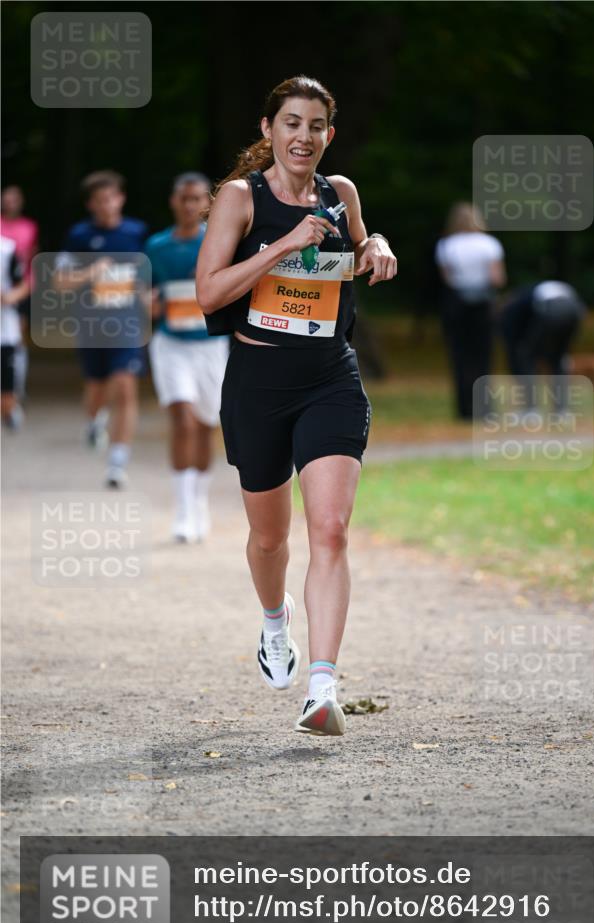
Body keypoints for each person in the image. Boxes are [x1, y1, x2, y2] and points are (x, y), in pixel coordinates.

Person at [196, 76, 397, 737]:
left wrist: (375, 245)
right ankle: (274, 620)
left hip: (329, 378)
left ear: (328, 135)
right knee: (268, 539)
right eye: (290, 123)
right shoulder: (239, 198)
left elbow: (358, 248)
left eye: (314, 126)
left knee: (330, 530)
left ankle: (322, 687)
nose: (302, 136)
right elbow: (208, 292)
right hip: (257, 383)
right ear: (268, 129)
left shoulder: (341, 194)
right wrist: (282, 245)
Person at [146, 173, 229, 542]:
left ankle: (199, 500)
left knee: (206, 425)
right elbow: (146, 292)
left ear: (207, 204)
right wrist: (148, 304)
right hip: (171, 343)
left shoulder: (219, 242)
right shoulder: (156, 246)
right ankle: (182, 510)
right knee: (182, 418)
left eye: (197, 198)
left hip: (210, 346)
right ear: (173, 202)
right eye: (184, 198)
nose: (190, 205)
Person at [57, 171, 149, 488]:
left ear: (121, 199)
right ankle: (94, 421)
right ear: (90, 205)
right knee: (96, 389)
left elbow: (148, 276)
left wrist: (147, 295)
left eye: (110, 198)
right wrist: (92, 272)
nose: (106, 205)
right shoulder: (79, 236)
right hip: (92, 326)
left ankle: (117, 462)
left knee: (124, 386)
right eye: (99, 200)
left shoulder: (137, 233)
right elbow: (60, 283)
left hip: (128, 325)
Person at [435, 202, 505, 419]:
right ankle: (485, 408)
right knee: (483, 356)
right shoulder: (489, 244)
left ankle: (464, 409)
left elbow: (447, 278)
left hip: (457, 303)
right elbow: (497, 278)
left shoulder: (446, 244)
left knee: (459, 356)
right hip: (483, 303)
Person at [500, 281, 586, 412]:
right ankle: (562, 410)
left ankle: (531, 409)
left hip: (551, 309)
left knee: (525, 356)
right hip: (576, 311)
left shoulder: (517, 301)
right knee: (559, 358)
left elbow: (512, 335)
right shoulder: (535, 289)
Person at [0, 184, 39, 414]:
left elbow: (31, 255)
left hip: (18, 286)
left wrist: (24, 287)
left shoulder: (29, 226)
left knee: (16, 338)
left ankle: (15, 389)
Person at [1, 234, 30, 427]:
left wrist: (9, 297)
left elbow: (23, 286)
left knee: (6, 394)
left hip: (4, 331)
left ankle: (10, 408)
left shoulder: (6, 249)